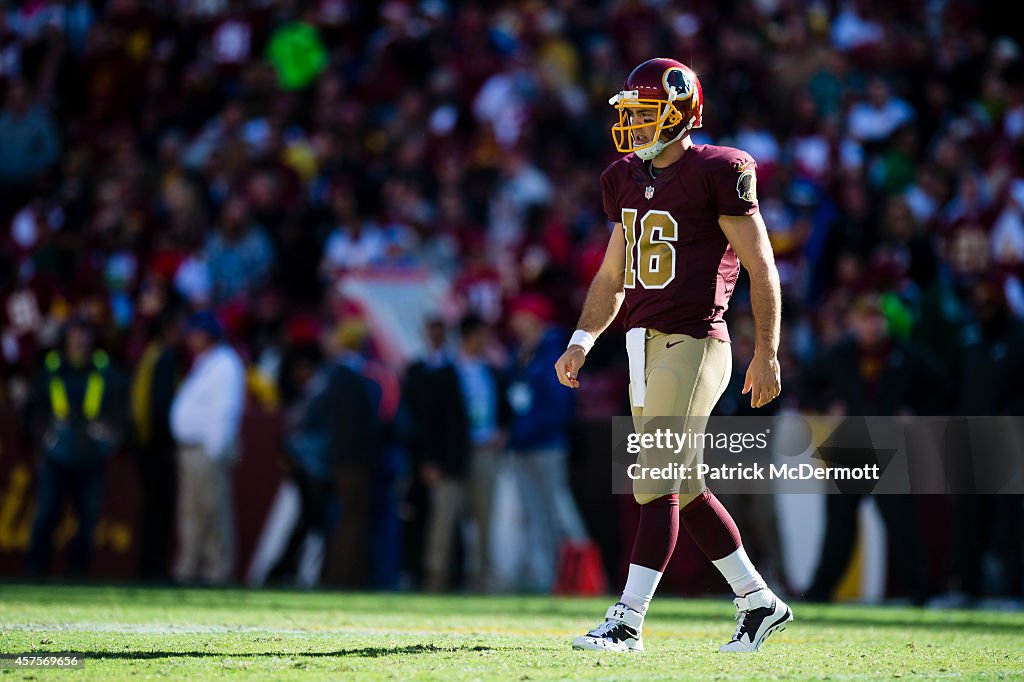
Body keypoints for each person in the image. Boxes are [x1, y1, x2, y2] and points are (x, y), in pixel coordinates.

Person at [554, 58, 792, 653]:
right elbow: (614, 274)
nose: (634, 126)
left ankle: (628, 620)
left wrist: (767, 351)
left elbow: (762, 266)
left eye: (645, 113)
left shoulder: (720, 169)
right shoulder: (622, 178)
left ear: (682, 112)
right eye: (629, 115)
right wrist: (582, 340)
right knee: (682, 486)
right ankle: (758, 601)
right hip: (641, 341)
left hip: (695, 340)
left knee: (652, 477)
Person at [800, 294, 942, 605]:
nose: (872, 325)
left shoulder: (906, 355)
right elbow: (805, 383)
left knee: (902, 523)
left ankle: (919, 591)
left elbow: (941, 387)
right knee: (839, 526)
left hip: (890, 446)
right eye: (865, 318)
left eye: (877, 319)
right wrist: (827, 406)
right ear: (855, 322)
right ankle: (820, 591)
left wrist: (915, 411)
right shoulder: (840, 354)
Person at [27, 316, 126, 578]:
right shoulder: (51, 369)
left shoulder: (106, 371)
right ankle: (36, 571)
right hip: (55, 456)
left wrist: (111, 436)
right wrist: (42, 436)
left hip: (91, 457)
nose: (80, 339)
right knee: (47, 513)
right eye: (75, 333)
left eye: (85, 333)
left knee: (87, 518)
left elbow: (120, 411)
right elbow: (33, 410)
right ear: (66, 337)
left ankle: (78, 572)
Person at [504, 294, 588, 592]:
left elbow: (557, 406)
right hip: (524, 446)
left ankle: (585, 575)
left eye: (521, 315)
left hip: (548, 445)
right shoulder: (520, 352)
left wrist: (520, 433)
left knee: (560, 511)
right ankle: (549, 578)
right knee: (536, 515)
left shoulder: (553, 351)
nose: (515, 321)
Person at [169, 310, 246, 585]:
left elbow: (225, 411)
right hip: (193, 449)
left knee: (212, 510)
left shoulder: (225, 364)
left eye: (195, 333)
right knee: (193, 512)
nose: (190, 338)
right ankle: (191, 567)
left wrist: (216, 450)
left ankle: (217, 571)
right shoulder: (207, 362)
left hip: (206, 450)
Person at [131, 309, 185, 582]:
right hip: (157, 447)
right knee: (159, 511)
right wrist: (166, 444)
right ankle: (153, 568)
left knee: (153, 509)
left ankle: (147, 566)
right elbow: (160, 406)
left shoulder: (151, 354)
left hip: (146, 444)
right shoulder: (164, 357)